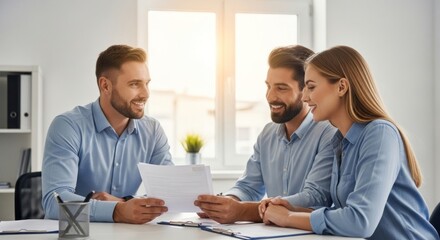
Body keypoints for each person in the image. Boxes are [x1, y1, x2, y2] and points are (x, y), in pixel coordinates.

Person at [259, 45, 439, 239]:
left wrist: (289, 217)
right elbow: (343, 213)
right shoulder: (340, 141)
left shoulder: (379, 134)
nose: (304, 97)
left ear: (341, 87)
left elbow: (360, 221)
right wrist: (290, 207)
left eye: (311, 87)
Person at [194, 45, 336, 224]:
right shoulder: (267, 135)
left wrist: (242, 211)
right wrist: (226, 203)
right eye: (268, 86)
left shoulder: (329, 133)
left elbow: (316, 198)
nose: (270, 96)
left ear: (305, 90)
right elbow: (248, 187)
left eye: (281, 88)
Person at [42, 45, 173, 224]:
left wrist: (121, 203)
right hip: (78, 234)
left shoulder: (152, 130)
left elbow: (170, 193)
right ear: (105, 86)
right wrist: (118, 211)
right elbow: (54, 203)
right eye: (135, 84)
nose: (145, 94)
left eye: (146, 84)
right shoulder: (68, 126)